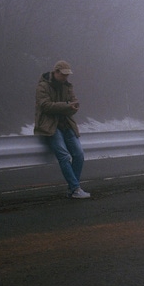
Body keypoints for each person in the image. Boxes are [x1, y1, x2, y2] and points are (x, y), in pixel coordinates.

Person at [35, 60, 89, 198]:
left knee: (79, 154)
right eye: (63, 74)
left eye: (67, 75)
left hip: (66, 124)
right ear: (56, 72)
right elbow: (45, 106)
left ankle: (72, 189)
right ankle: (75, 188)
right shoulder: (43, 86)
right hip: (50, 126)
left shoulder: (68, 86)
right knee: (64, 156)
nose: (66, 77)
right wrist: (66, 106)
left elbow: (74, 104)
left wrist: (69, 107)